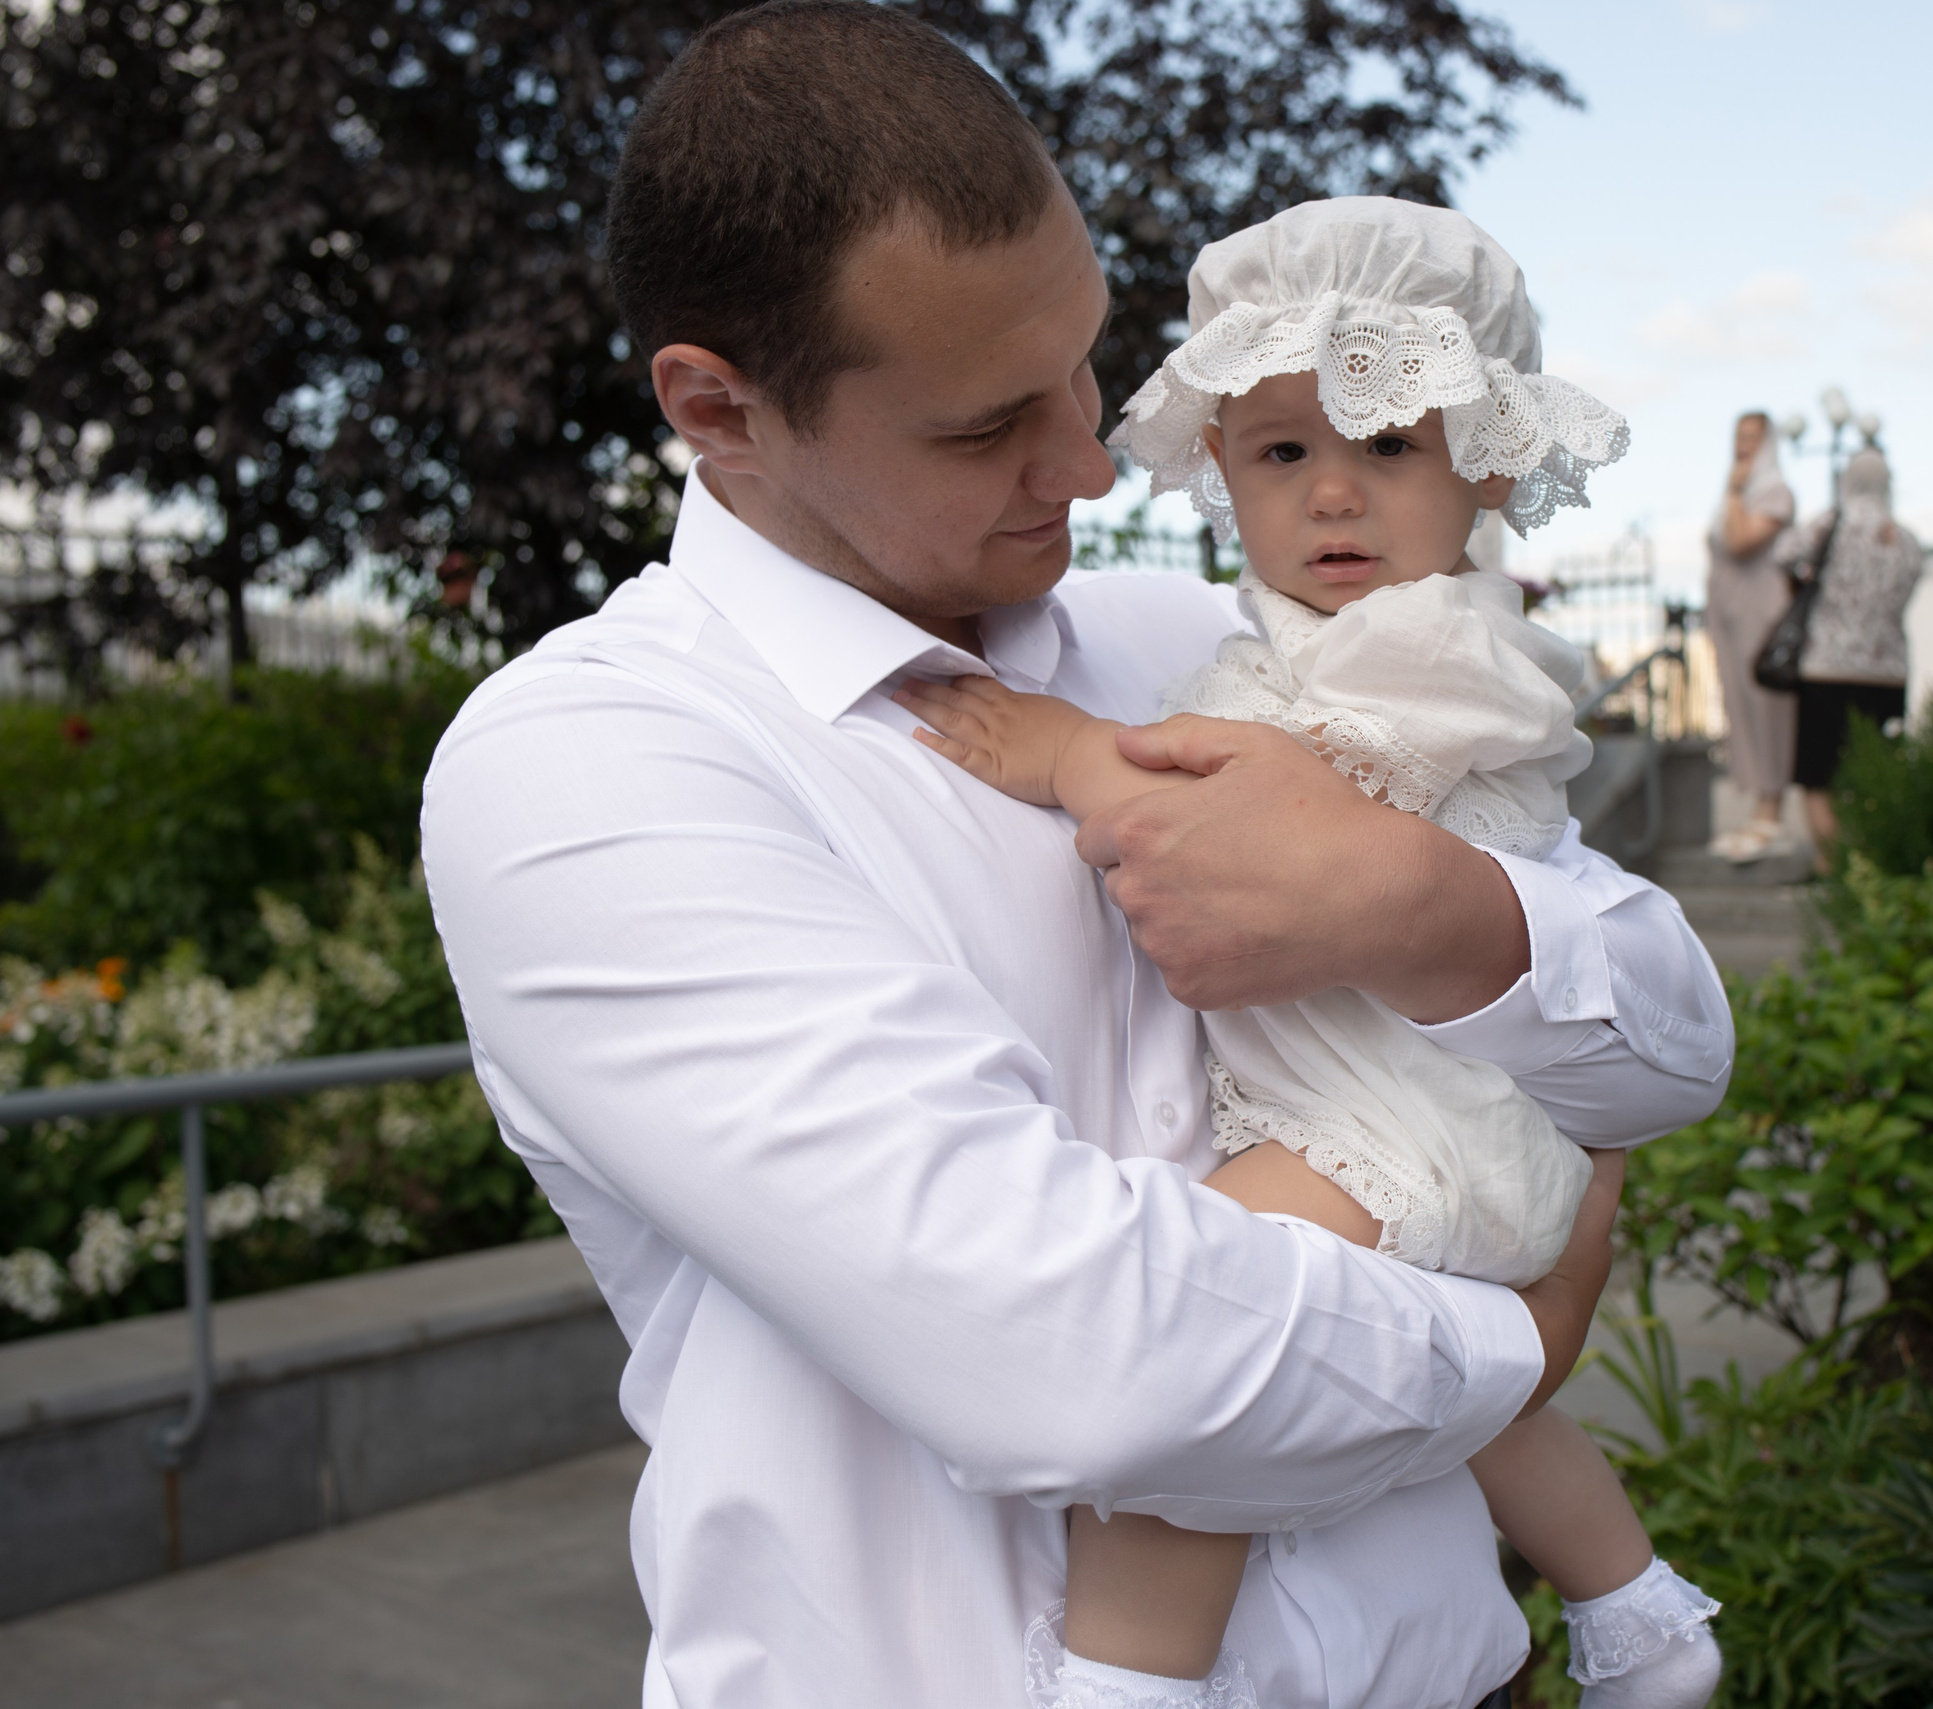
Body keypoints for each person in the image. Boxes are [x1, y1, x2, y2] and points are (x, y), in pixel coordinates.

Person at [417, 8, 1736, 1708]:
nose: (1096, 463)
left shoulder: (1208, 648)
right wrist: (1520, 1334)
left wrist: (1428, 908)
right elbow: (1089, 1361)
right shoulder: (594, 765)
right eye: (986, 427)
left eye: (1088, 368)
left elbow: (1667, 1043)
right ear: (719, 409)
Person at [899, 199, 1727, 1709]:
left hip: (1399, 1124)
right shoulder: (1287, 637)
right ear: (1219, 462)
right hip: (1409, 1112)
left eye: (1390, 444)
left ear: (1485, 461)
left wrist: (1072, 751)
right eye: (1283, 450)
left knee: (1180, 1365)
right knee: (1496, 1416)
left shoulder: (1433, 643)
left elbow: (1283, 817)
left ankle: (1129, 1684)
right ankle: (1641, 1615)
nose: (1334, 492)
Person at [1773, 446, 1924, 874]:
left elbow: (1783, 552)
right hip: (1888, 672)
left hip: (1828, 668)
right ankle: (1869, 866)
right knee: (1875, 775)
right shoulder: (1907, 540)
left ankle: (1831, 868)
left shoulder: (1831, 524)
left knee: (1819, 778)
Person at [1702, 412, 1798, 862]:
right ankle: (1759, 806)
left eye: (1752, 438)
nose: (1742, 446)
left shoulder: (1772, 491)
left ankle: (1770, 809)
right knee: (1741, 709)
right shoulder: (1740, 494)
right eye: (1738, 436)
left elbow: (1741, 542)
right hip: (1732, 616)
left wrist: (1735, 489)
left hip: (1760, 616)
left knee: (1766, 711)